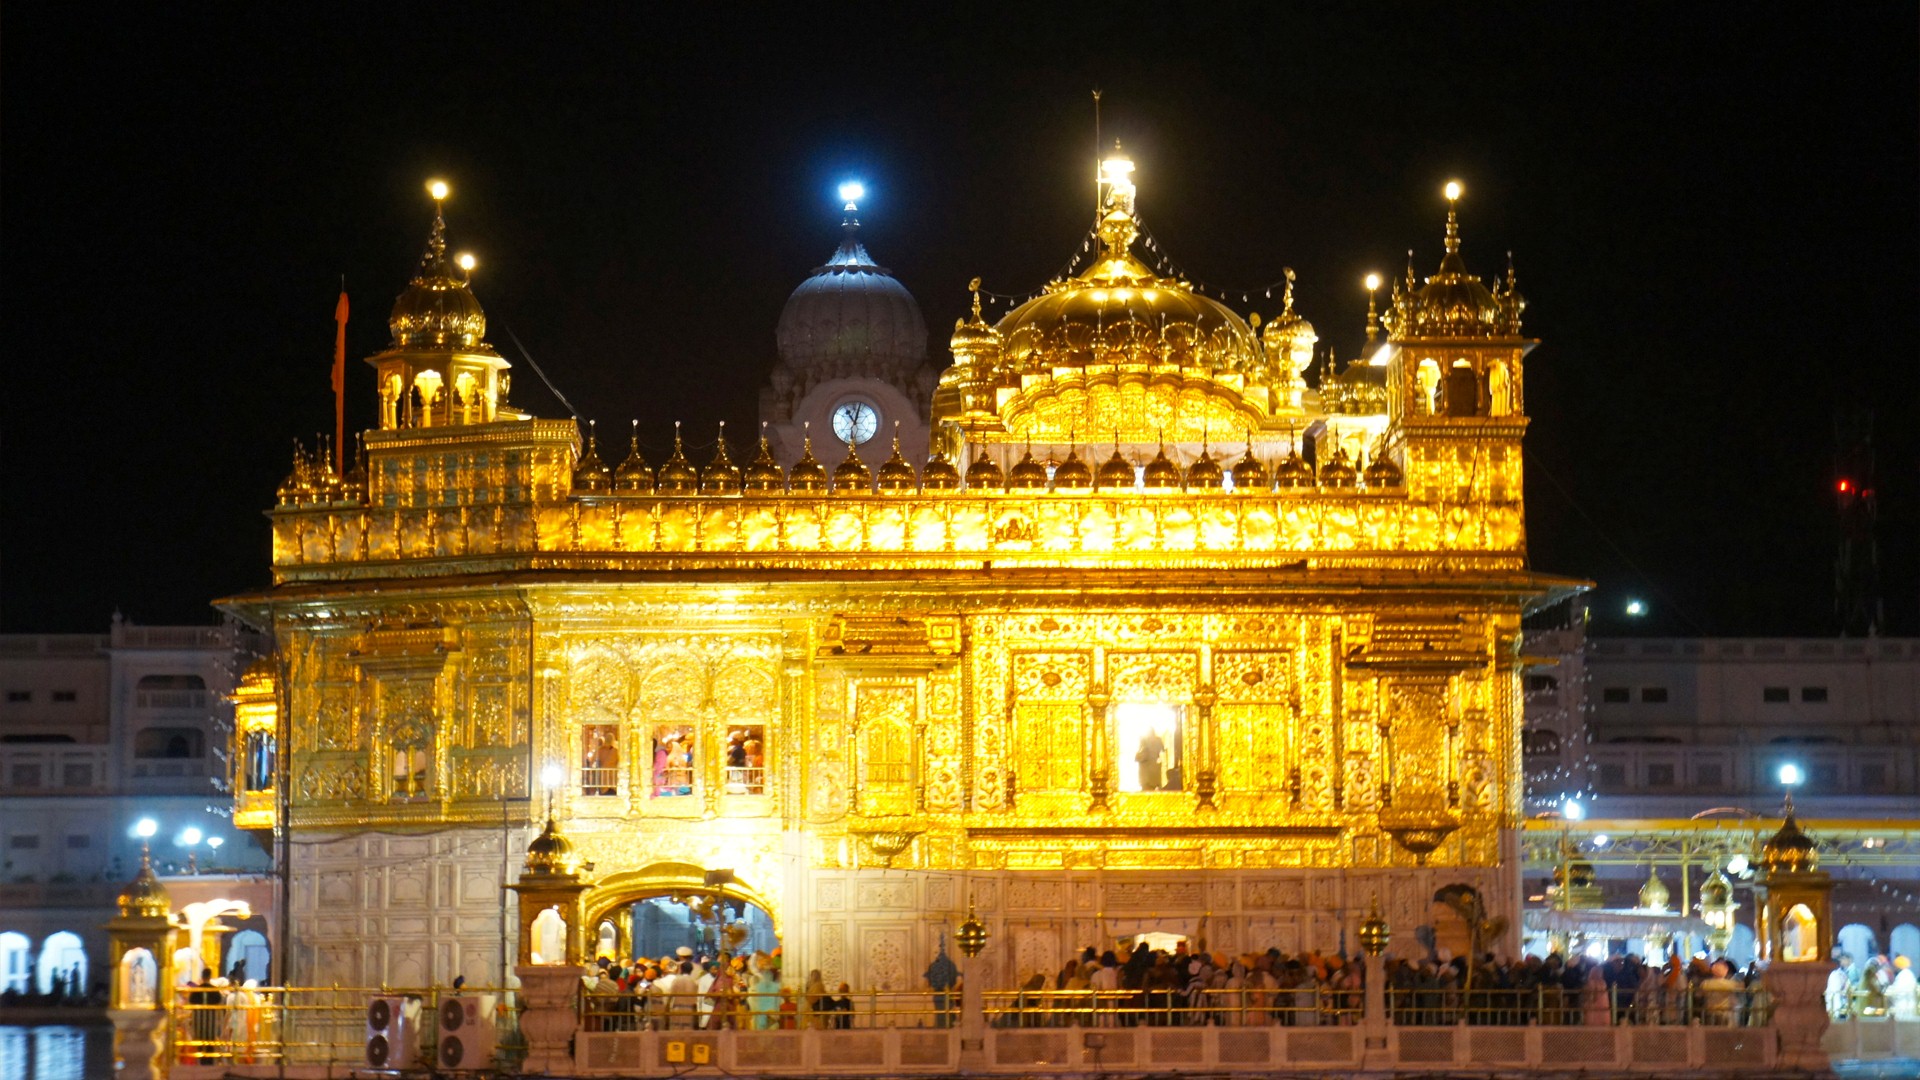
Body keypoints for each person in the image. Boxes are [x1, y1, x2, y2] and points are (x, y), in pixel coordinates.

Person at [925, 942, 960, 1028]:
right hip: (945, 995)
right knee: (944, 1017)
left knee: (943, 1017)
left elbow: (928, 983)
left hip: (942, 996)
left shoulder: (937, 966)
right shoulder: (949, 966)